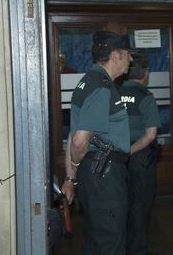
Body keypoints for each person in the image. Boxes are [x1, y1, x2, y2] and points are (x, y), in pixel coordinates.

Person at [61, 31, 133, 255]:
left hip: (94, 175)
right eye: (128, 54)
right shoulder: (101, 86)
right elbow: (80, 141)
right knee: (110, 241)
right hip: (105, 178)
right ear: (115, 55)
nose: (130, 60)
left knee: (96, 240)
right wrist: (71, 175)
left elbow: (72, 138)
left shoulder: (87, 82)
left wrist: (71, 177)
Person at [118, 54, 161, 255]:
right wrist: (131, 151)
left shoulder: (113, 93)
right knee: (140, 207)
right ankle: (137, 250)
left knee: (119, 205)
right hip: (140, 158)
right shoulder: (146, 96)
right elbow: (150, 135)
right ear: (146, 73)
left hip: (115, 158)